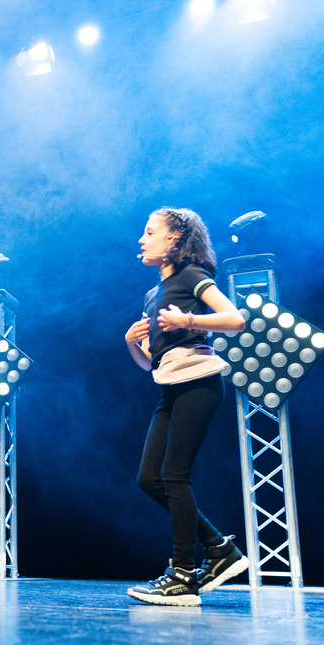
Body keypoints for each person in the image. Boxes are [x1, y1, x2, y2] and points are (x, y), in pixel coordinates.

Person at [123, 208, 251, 606]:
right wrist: (132, 343)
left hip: (199, 383)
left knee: (174, 476)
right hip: (171, 386)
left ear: (174, 240)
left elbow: (236, 319)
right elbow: (150, 363)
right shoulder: (152, 296)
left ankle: (182, 576)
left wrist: (189, 322)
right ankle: (219, 548)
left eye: (150, 232)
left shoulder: (191, 276)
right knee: (150, 479)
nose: (142, 240)